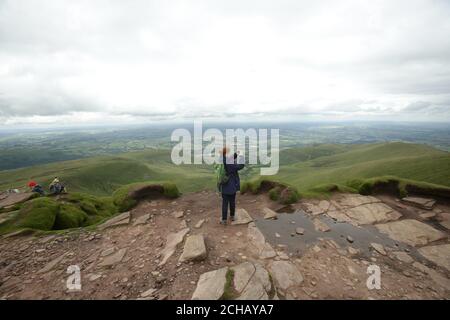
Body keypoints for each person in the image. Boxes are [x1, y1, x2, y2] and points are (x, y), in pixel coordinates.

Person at [219, 148, 245, 225]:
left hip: (224, 186)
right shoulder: (231, 164)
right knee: (232, 202)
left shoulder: (223, 159)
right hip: (231, 186)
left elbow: (230, 159)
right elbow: (240, 166)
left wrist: (236, 154)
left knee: (224, 203)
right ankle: (232, 216)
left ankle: (224, 220)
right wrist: (241, 156)